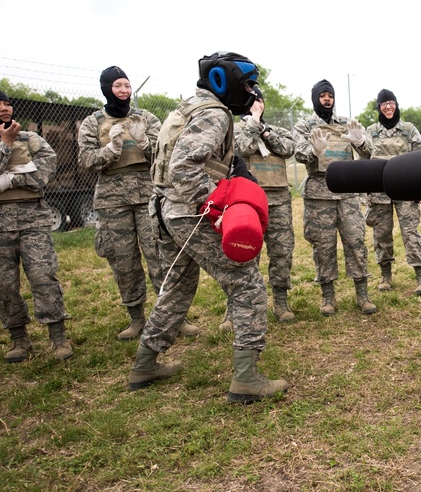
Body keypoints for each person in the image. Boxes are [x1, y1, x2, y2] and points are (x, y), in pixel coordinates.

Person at [128, 51, 287, 404]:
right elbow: (184, 167)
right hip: (189, 212)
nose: (252, 91)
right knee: (246, 284)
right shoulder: (214, 114)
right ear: (224, 81)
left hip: (166, 210)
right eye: (247, 84)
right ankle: (247, 378)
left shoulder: (189, 107)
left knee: (178, 289)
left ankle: (144, 365)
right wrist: (213, 205)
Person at [77, 67, 199, 340]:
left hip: (147, 195)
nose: (123, 91)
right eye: (117, 86)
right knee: (124, 260)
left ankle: (174, 318)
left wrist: (144, 142)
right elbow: (85, 160)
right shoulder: (92, 123)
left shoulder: (146, 119)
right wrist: (108, 150)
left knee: (159, 256)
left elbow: (165, 153)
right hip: (112, 200)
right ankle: (136, 319)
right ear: (107, 89)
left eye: (126, 85)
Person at [0, 86, 72, 362]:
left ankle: (58, 338)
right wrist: (6, 146)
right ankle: (19, 339)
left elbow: (44, 174)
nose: (4, 108)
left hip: (32, 218)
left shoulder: (30, 138)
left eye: (7, 104)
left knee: (44, 276)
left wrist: (12, 178)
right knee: (3, 285)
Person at [292, 80, 375, 315]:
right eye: (323, 96)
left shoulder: (346, 123)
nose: (327, 99)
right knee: (323, 246)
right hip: (319, 194)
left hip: (347, 192)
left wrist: (360, 141)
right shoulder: (305, 125)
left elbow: (368, 151)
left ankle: (363, 294)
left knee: (356, 241)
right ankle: (328, 297)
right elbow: (298, 153)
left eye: (330, 95)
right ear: (315, 98)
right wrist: (314, 150)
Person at [223, 85, 297, 324]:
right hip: (248, 202)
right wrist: (253, 122)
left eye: (260, 101)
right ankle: (236, 308)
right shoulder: (234, 131)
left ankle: (281, 302)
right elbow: (244, 147)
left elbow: (287, 149)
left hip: (278, 201)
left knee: (282, 252)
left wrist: (265, 132)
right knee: (244, 254)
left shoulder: (277, 131)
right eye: (253, 101)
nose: (258, 104)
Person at [357, 89, 421, 295]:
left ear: (396, 105)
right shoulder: (370, 132)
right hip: (380, 193)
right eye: (383, 104)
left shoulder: (408, 129)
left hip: (406, 191)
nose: (388, 107)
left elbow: (420, 158)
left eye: (391, 103)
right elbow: (364, 159)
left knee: (411, 234)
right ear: (378, 107)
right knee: (381, 236)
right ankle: (385, 276)